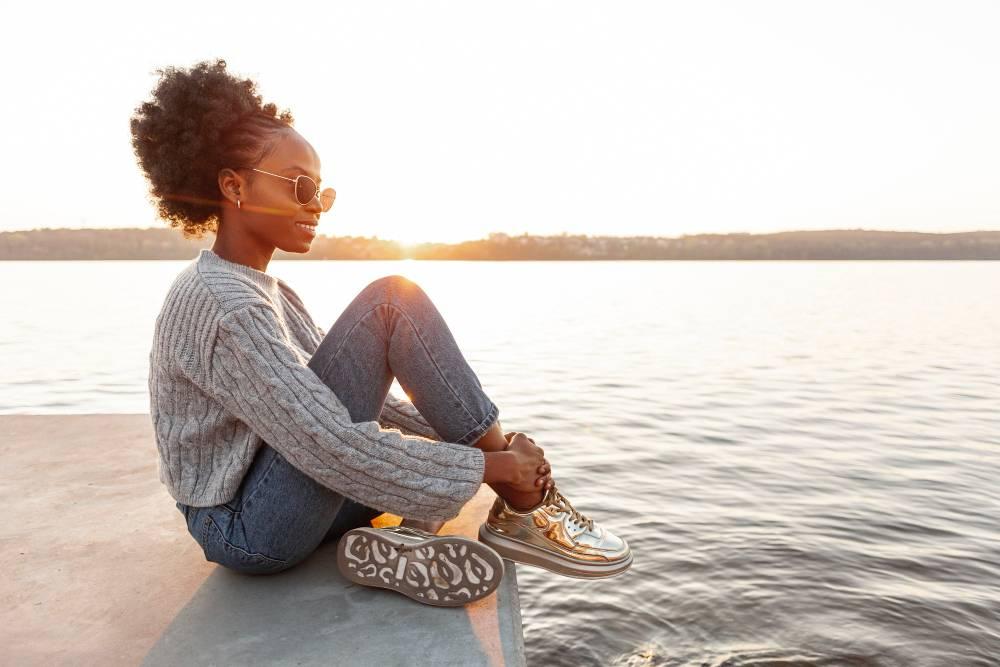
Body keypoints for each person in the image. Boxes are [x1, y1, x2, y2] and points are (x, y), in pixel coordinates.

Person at [131, 59, 632, 607]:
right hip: (244, 530)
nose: (314, 207)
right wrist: (492, 465)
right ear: (234, 187)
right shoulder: (222, 304)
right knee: (393, 300)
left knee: (417, 442)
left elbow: (359, 410)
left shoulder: (266, 291)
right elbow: (329, 440)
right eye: (300, 187)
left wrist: (492, 445)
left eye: (321, 194)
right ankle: (520, 507)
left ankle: (407, 540)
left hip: (281, 498)